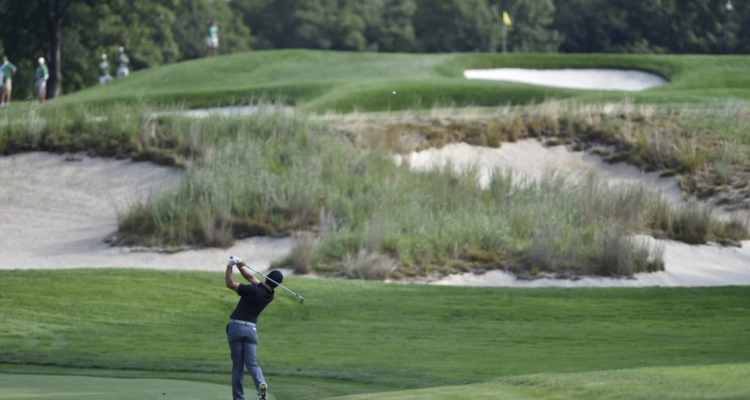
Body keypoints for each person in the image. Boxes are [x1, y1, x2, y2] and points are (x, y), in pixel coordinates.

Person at [225, 257, 281, 400]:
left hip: (236, 328)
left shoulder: (252, 290)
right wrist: (239, 265)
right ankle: (261, 384)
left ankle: (239, 398)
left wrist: (229, 265)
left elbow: (230, 284)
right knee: (251, 363)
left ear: (267, 277)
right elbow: (250, 277)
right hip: (251, 331)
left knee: (238, 365)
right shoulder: (269, 294)